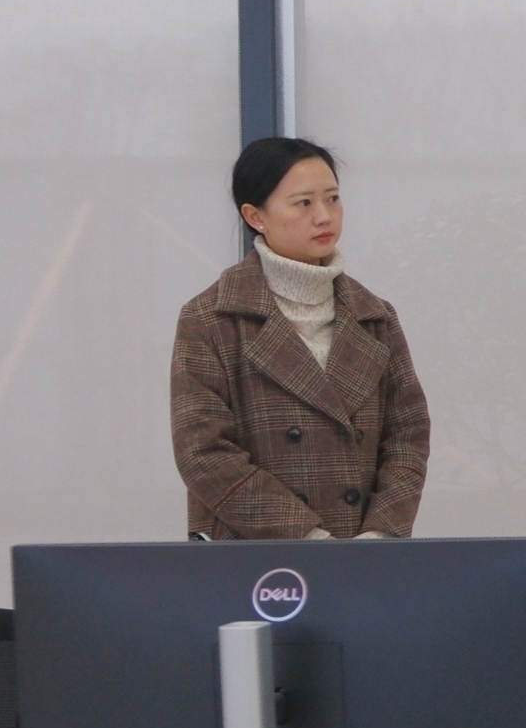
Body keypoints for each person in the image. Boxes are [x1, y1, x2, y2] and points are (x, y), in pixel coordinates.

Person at [172, 138, 430, 541]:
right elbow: (204, 453)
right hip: (257, 555)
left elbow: (408, 435)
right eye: (303, 203)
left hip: (363, 550)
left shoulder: (375, 316)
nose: (325, 216)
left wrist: (381, 536)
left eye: (333, 198)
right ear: (256, 216)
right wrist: (307, 538)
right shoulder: (211, 319)